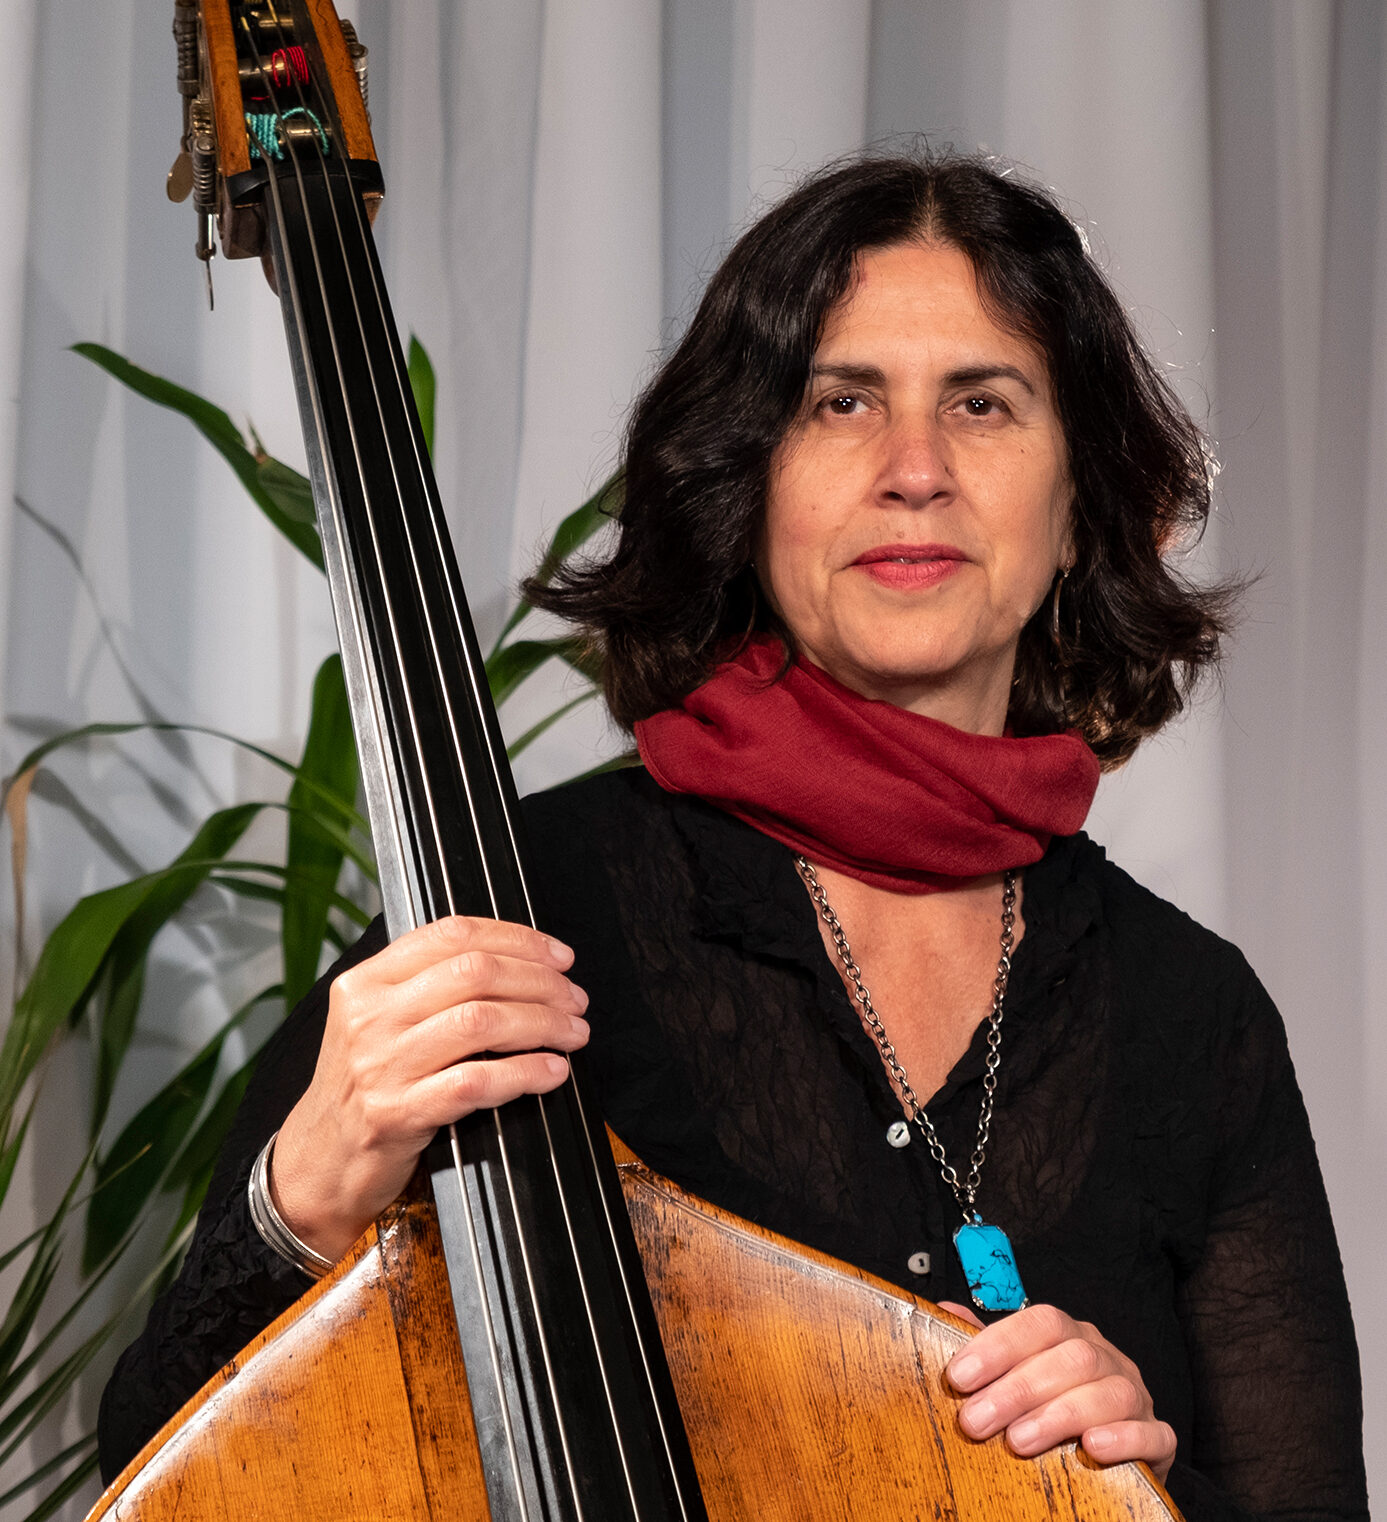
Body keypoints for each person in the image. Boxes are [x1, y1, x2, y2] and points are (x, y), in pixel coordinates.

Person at [98, 152, 1367, 1520]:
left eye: (984, 404)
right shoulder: (517, 908)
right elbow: (155, 1456)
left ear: (1079, 510)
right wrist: (311, 1185)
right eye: (842, 402)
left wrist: (1145, 1488)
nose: (917, 471)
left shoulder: (1197, 1015)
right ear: (747, 487)